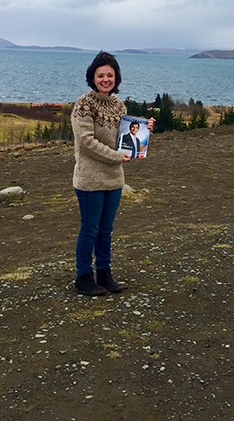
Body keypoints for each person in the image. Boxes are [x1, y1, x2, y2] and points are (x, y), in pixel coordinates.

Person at [70, 51, 154, 296]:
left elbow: (126, 140)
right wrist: (118, 157)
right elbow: (85, 142)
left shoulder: (119, 105)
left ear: (116, 78)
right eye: (100, 75)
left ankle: (104, 274)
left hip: (114, 179)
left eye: (110, 75)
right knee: (90, 229)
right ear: (92, 77)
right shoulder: (83, 104)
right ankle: (83, 277)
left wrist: (145, 132)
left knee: (106, 229)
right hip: (89, 179)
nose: (105, 79)